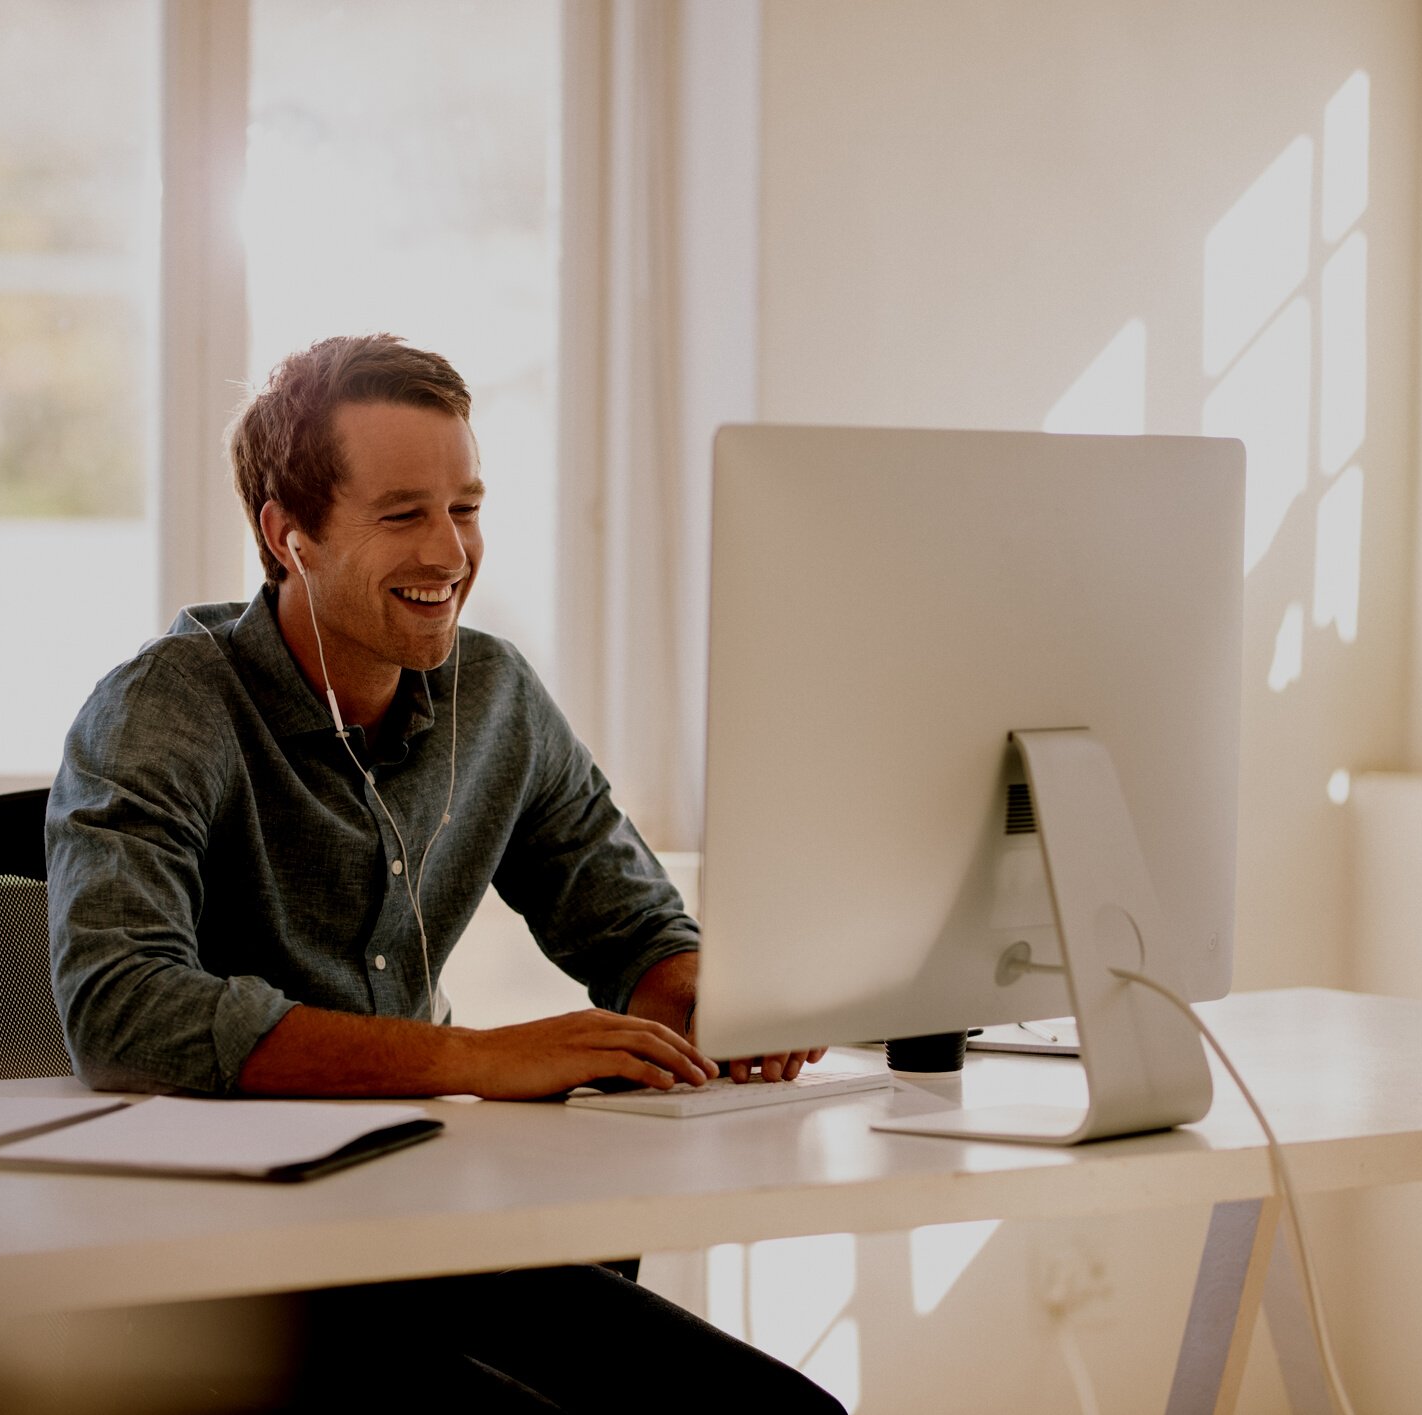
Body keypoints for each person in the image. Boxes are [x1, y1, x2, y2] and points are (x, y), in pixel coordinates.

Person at [46, 333, 840, 1412]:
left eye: (465, 508)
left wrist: (712, 996)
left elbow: (631, 926)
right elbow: (122, 1010)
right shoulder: (163, 708)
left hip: (426, 1217)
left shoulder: (496, 695)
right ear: (290, 536)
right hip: (223, 1267)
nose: (451, 552)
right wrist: (473, 1056)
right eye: (402, 514)